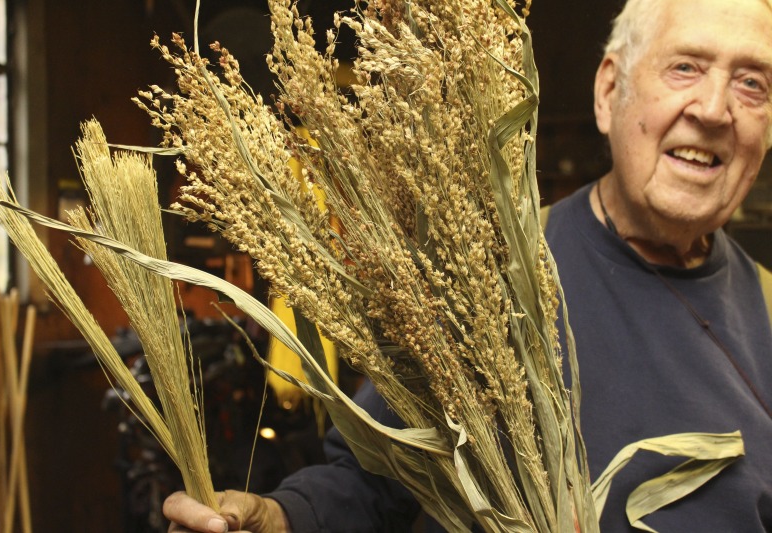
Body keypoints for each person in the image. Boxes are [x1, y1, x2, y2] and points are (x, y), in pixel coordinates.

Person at [164, 0, 772, 530]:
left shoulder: (767, 308)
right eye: (686, 67)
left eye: (753, 84)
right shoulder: (483, 271)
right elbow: (371, 483)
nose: (715, 109)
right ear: (610, 91)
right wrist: (278, 519)